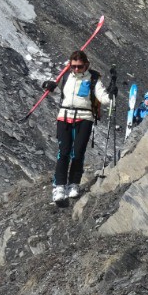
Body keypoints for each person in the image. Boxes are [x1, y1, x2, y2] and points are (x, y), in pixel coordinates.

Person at [42, 50, 114, 203]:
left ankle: (74, 183)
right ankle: (59, 186)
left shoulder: (93, 78)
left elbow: (104, 98)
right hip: (64, 116)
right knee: (64, 151)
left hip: (85, 118)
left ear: (86, 65)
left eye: (79, 66)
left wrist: (111, 92)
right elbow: (61, 96)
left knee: (78, 152)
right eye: (73, 66)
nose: (76, 69)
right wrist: (49, 86)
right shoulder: (67, 76)